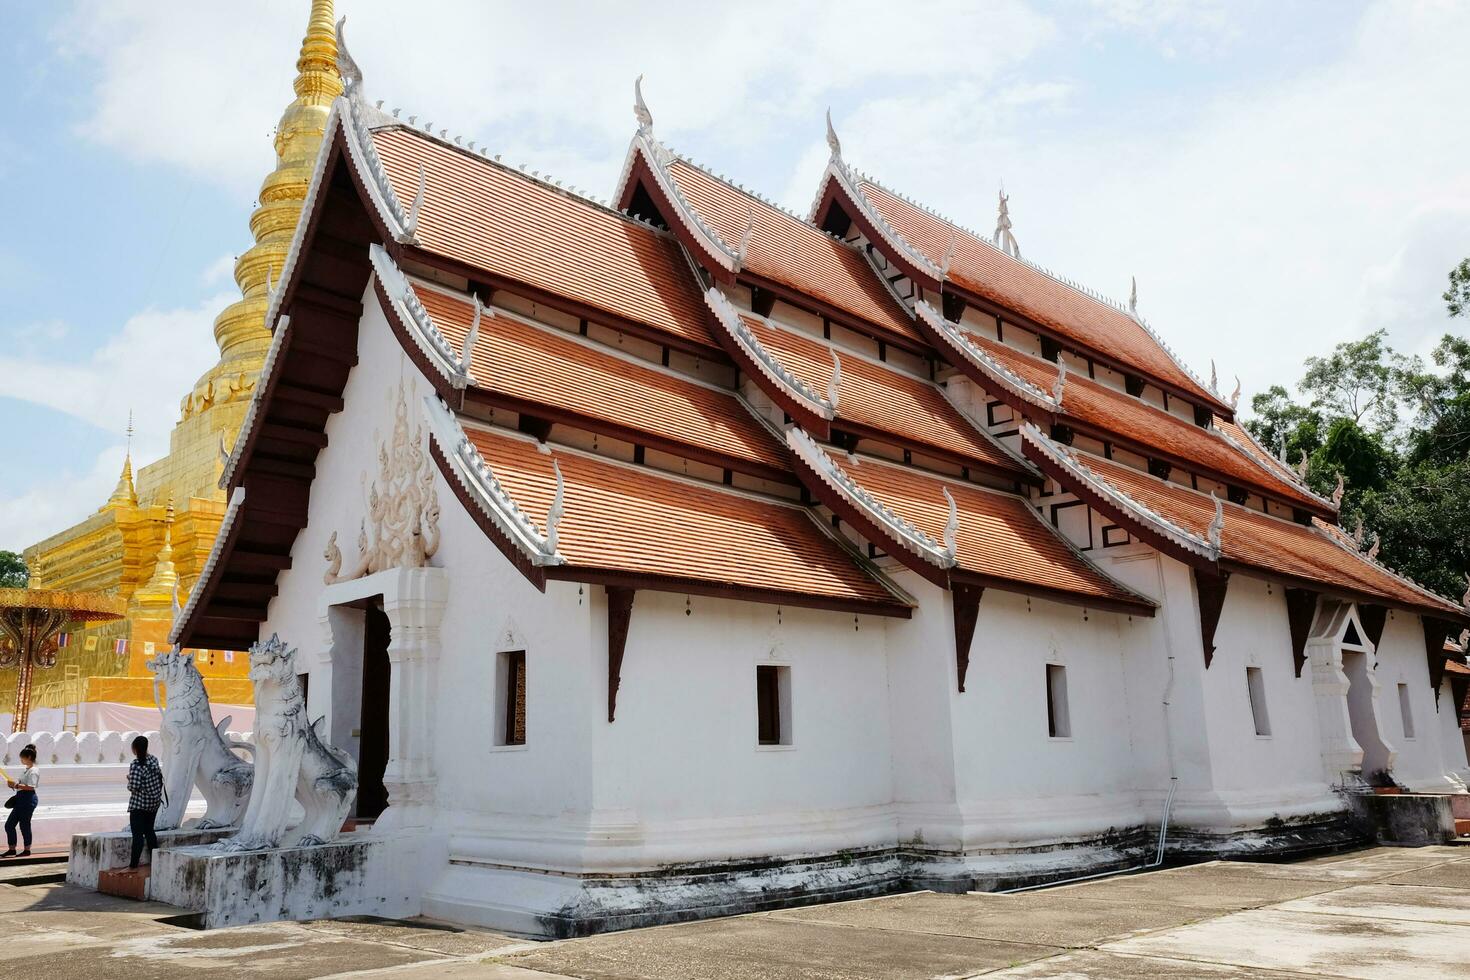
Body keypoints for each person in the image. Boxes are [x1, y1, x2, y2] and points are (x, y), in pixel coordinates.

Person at [125, 735, 164, 869]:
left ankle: (133, 864)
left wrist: (129, 779)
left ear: (135, 748)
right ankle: (155, 862)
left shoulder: (136, 765)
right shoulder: (154, 760)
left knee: (137, 836)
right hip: (153, 804)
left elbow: (133, 787)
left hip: (139, 805)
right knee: (149, 831)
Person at [2, 744, 39, 858]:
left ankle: (27, 849)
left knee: (24, 825)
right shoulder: (26, 770)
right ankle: (12, 849)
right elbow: (22, 785)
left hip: (28, 800)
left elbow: (32, 786)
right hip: (20, 799)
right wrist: (13, 785)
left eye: (22, 757)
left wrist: (17, 785)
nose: (21, 760)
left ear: (28, 757)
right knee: (9, 825)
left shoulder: (34, 771)